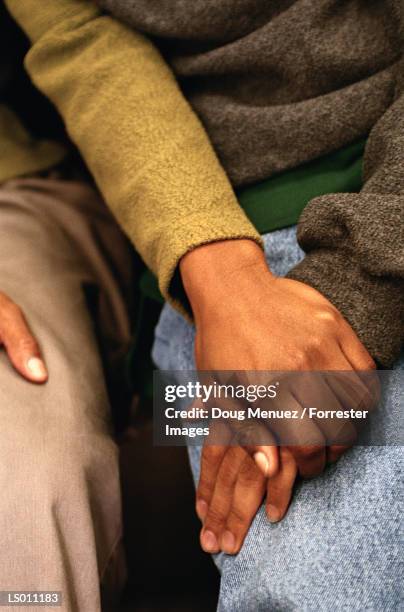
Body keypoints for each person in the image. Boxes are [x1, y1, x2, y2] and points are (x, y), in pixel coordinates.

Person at [5, 0, 403, 610]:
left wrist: (360, 279)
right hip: (207, 247)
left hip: (380, 193)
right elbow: (81, 39)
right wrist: (220, 276)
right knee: (304, 583)